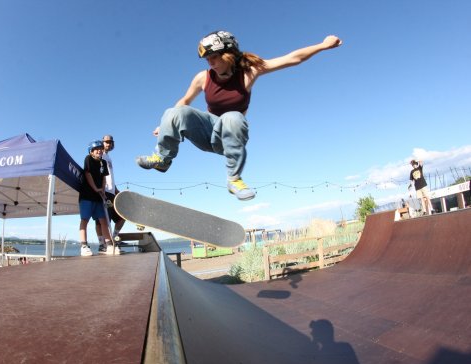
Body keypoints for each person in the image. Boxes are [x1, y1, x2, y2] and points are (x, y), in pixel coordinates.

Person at [136, 31, 342, 200]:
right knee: (173, 112)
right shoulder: (203, 78)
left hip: (229, 137)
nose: (210, 63)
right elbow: (185, 101)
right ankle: (163, 159)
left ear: (229, 55)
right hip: (206, 133)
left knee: (232, 117)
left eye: (214, 57)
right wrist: (165, 125)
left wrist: (322, 45)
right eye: (207, 59)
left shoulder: (249, 72)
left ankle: (234, 179)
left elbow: (291, 59)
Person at [78, 140, 116, 256]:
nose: (99, 150)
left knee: (103, 220)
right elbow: (88, 174)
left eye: (100, 148)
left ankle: (109, 245)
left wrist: (102, 191)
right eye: (96, 149)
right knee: (85, 220)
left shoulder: (103, 162)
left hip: (99, 196)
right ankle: (84, 245)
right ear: (91, 151)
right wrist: (95, 188)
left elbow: (104, 178)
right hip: (87, 196)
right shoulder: (88, 159)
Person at [95, 135, 126, 251]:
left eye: (111, 142)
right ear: (102, 142)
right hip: (103, 191)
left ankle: (113, 239)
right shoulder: (99, 154)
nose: (109, 144)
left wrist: (116, 189)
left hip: (112, 192)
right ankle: (102, 244)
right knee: (102, 220)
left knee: (121, 218)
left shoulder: (108, 157)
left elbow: (109, 177)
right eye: (106, 142)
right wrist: (99, 188)